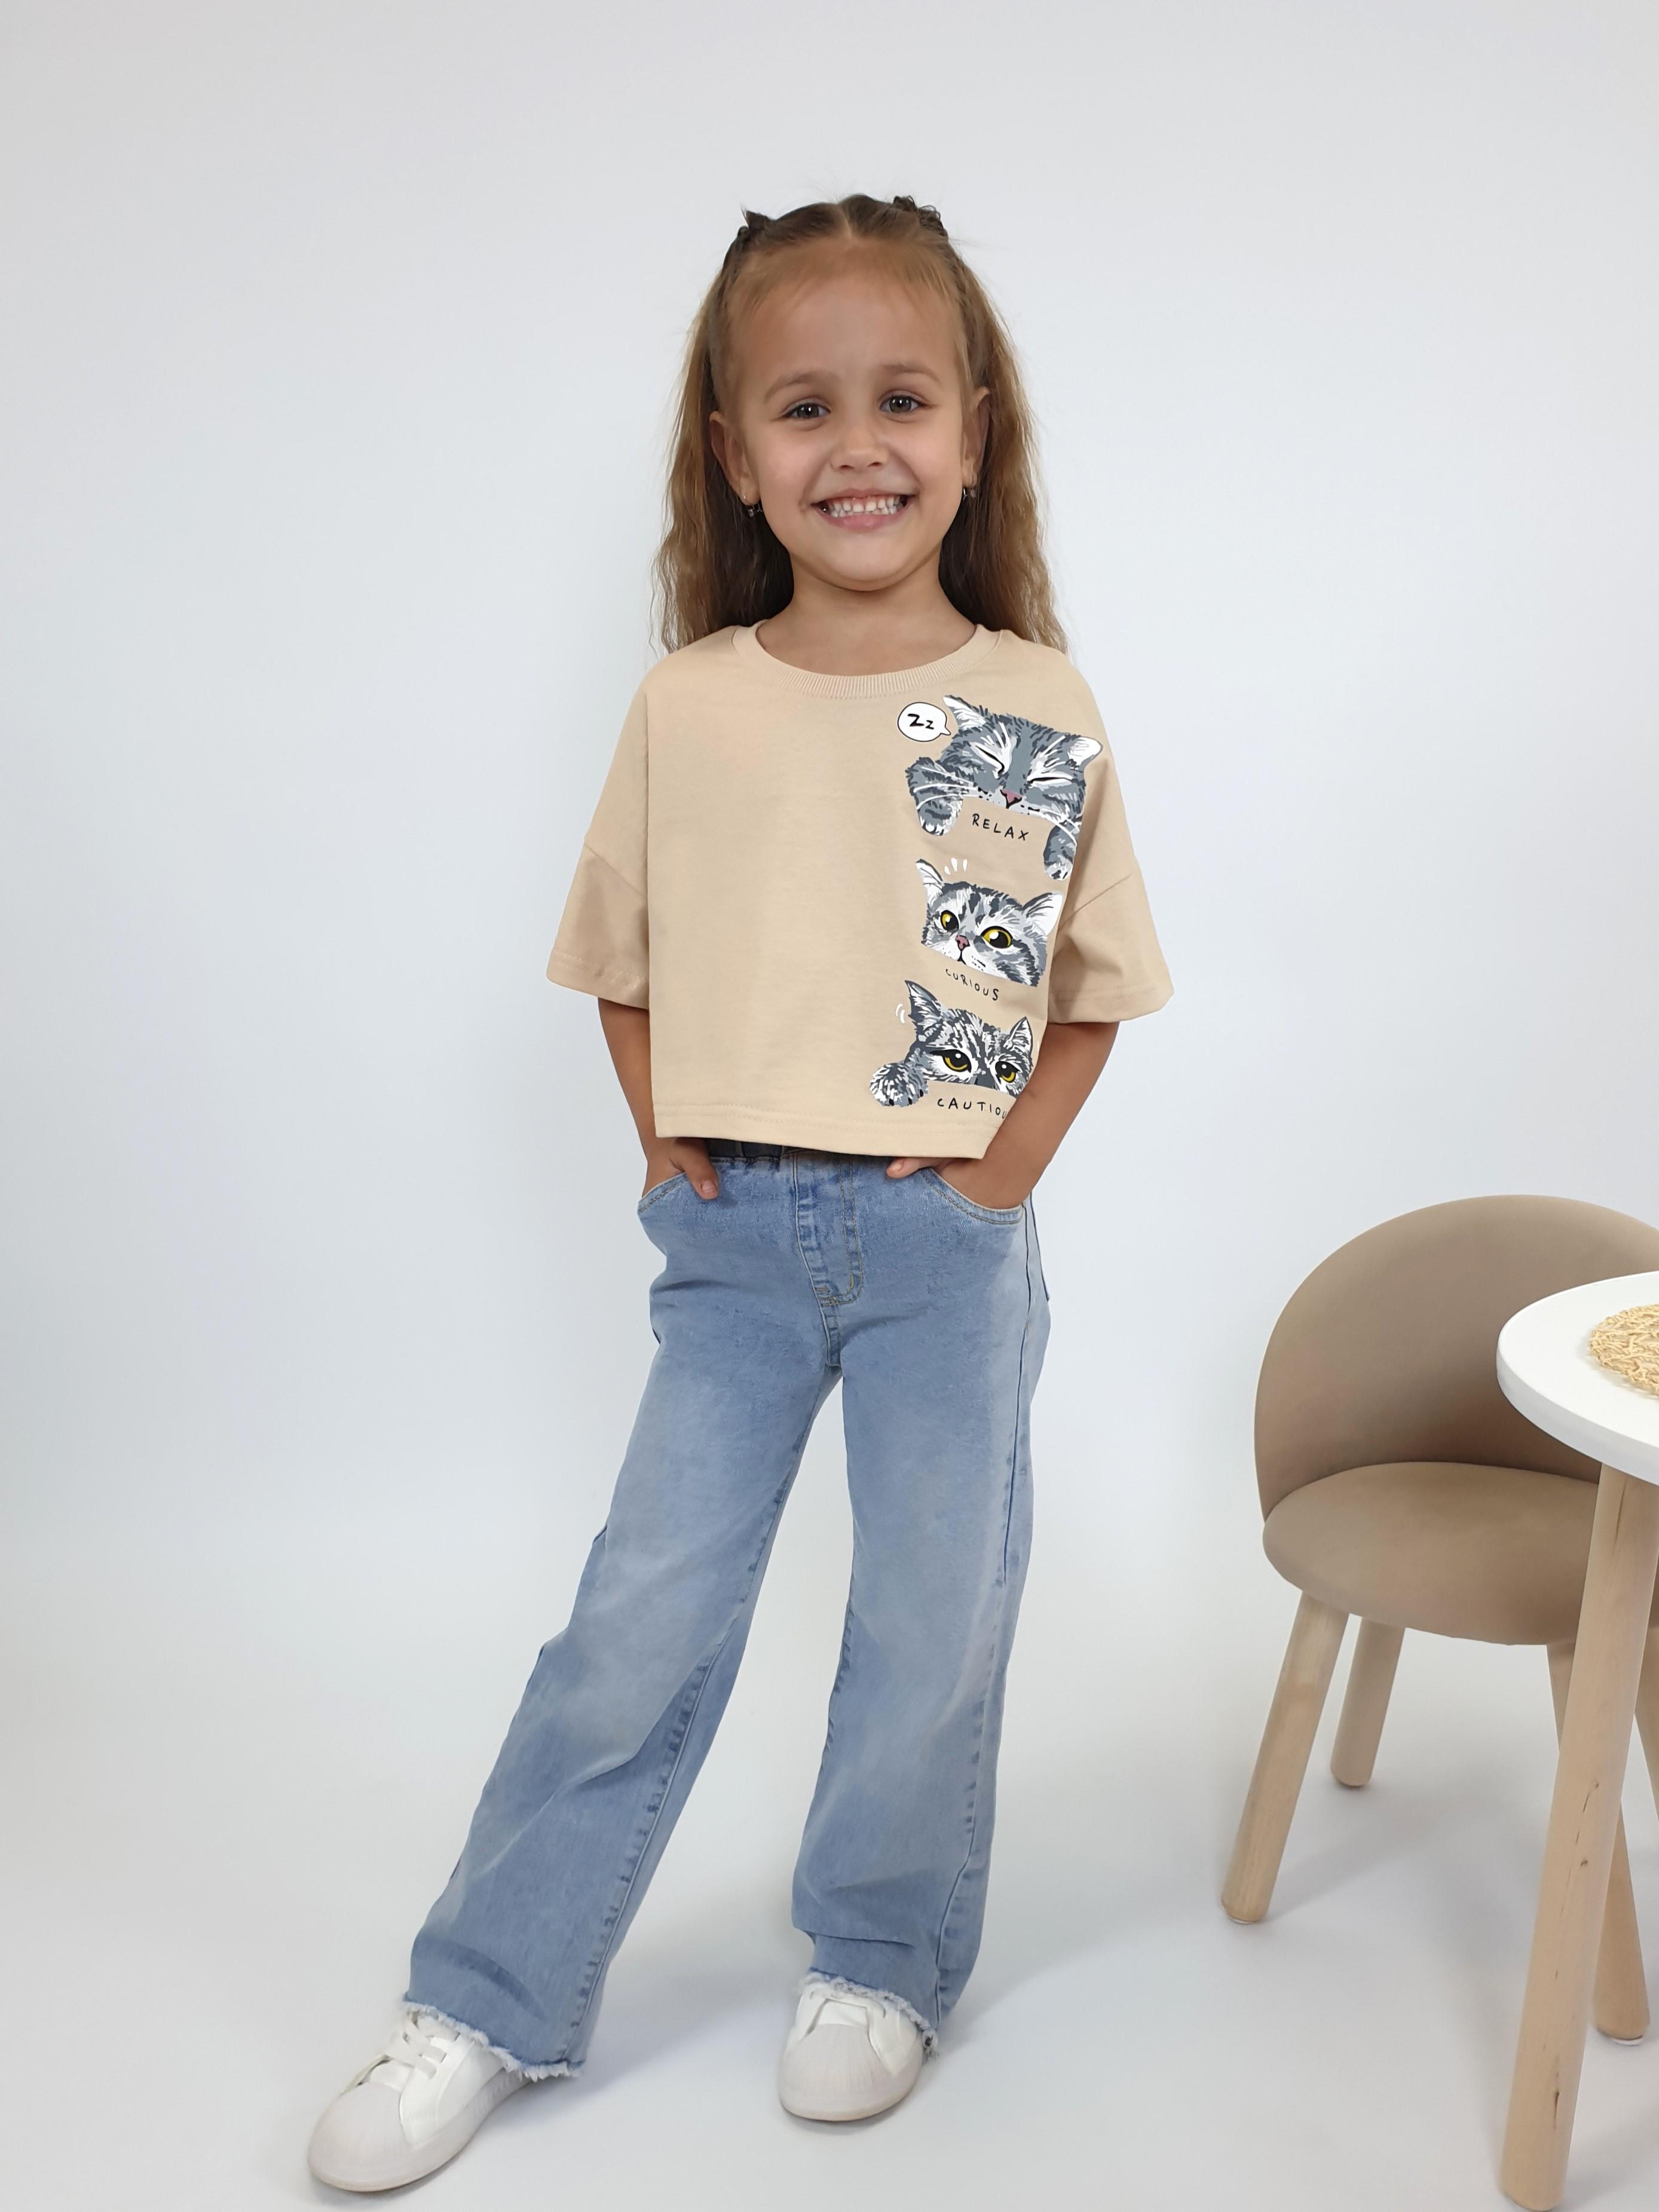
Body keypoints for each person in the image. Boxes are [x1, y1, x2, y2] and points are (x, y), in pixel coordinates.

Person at [307, 192, 1171, 2192]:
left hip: (948, 1250)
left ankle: (879, 1957)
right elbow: (621, 963)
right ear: (734, 451)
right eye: (804, 406)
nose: (856, 446)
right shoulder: (689, 704)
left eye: (902, 400)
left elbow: (1087, 992)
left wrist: (995, 1185)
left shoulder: (1033, 703)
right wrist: (663, 1139)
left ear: (975, 432)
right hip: (737, 1246)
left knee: (929, 1616)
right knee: (639, 1617)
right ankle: (487, 1993)